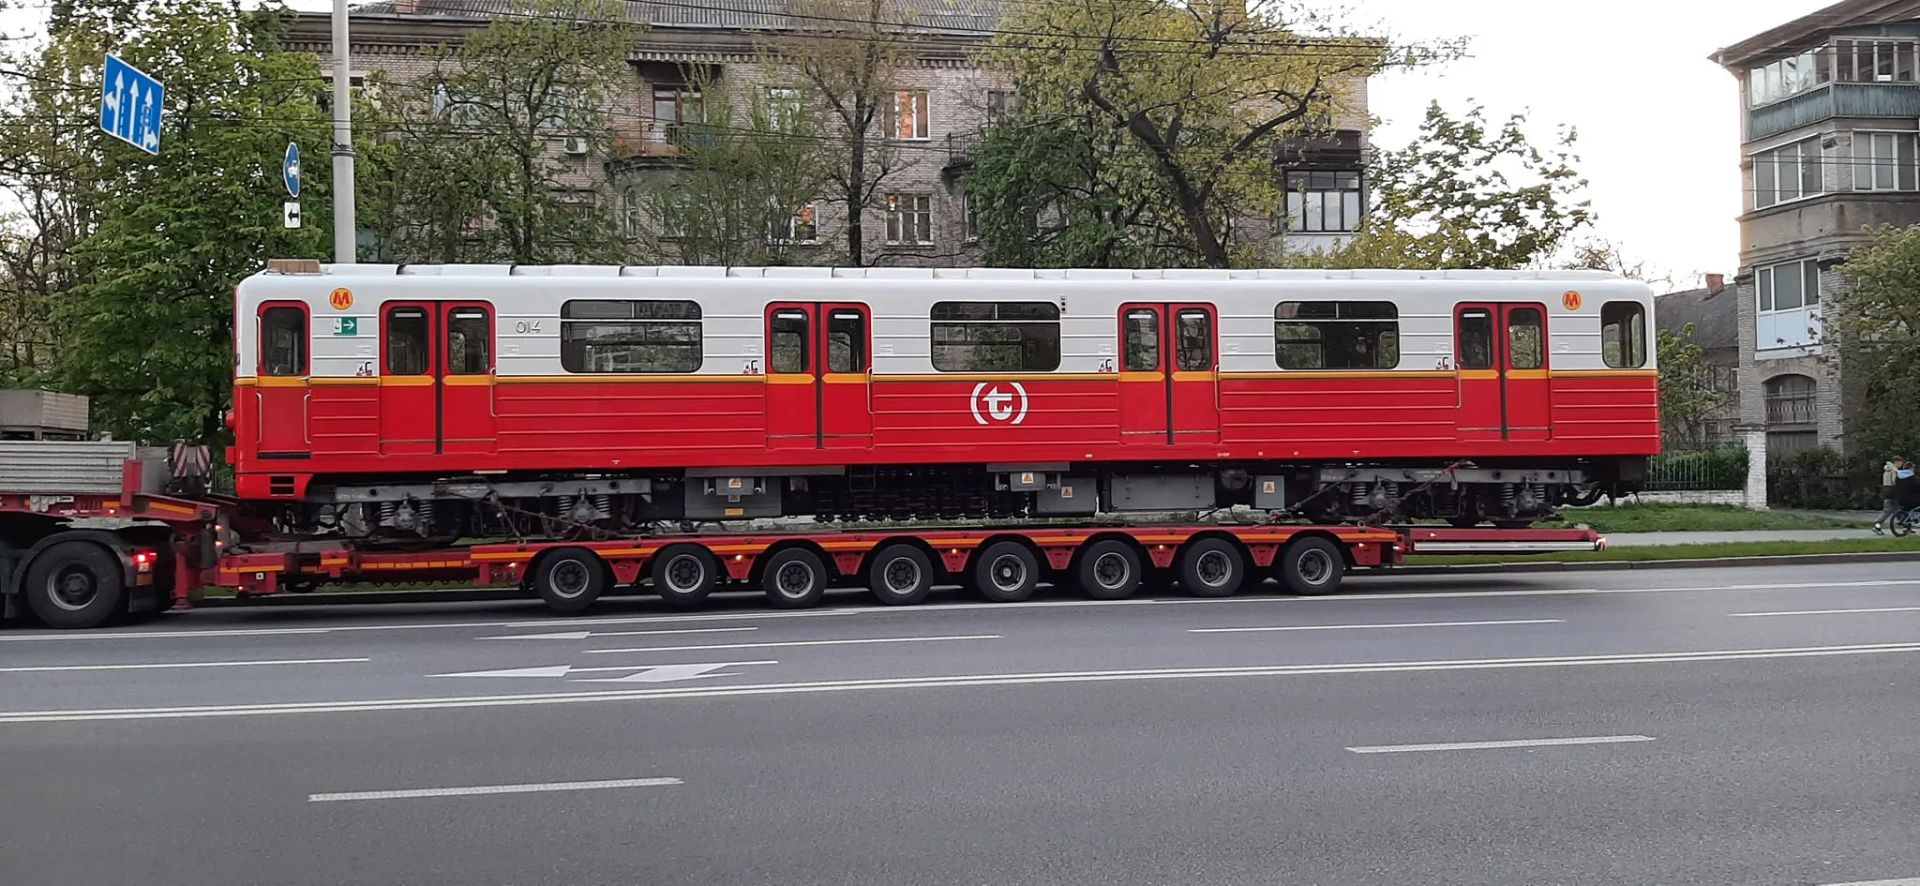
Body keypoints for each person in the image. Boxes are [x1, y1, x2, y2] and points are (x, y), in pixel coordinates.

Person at [1875, 456, 1910, 535]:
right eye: (1900, 462)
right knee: (1889, 511)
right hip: (1893, 492)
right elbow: (1896, 482)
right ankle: (1877, 526)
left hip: (1887, 491)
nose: (1902, 464)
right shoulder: (1894, 471)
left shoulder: (1886, 470)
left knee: (1897, 510)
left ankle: (1906, 527)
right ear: (1896, 462)